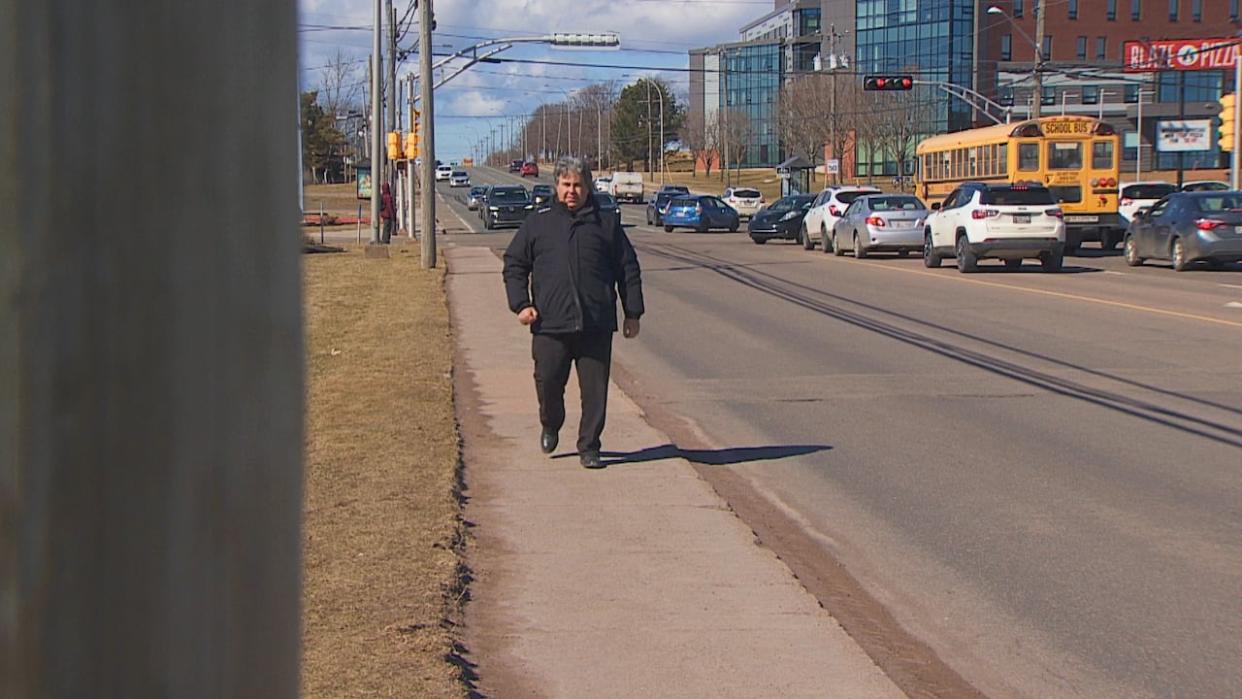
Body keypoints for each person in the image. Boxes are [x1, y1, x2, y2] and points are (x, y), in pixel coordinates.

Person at [503, 156, 644, 469]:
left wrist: (632, 312)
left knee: (595, 393)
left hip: (595, 324)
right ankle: (551, 423)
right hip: (549, 324)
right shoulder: (538, 222)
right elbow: (514, 263)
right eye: (566, 185)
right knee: (548, 382)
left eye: (577, 185)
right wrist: (521, 304)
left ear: (588, 187)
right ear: (557, 186)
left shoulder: (606, 224)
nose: (571, 191)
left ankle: (589, 446)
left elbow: (628, 269)